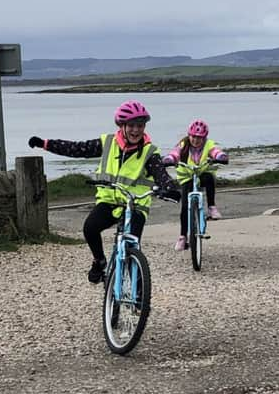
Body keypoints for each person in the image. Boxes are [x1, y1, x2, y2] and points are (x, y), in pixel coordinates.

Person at [28, 100, 181, 283]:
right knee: (90, 229)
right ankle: (99, 261)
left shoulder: (150, 152)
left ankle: (139, 291)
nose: (136, 130)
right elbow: (77, 149)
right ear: (122, 126)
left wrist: (170, 188)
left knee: (133, 244)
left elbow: (161, 174)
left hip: (136, 206)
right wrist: (45, 144)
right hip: (108, 202)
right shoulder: (107, 142)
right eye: (131, 125)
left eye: (140, 126)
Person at [162, 119, 228, 251]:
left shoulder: (208, 145)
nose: (196, 140)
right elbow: (175, 154)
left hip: (201, 174)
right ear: (189, 135)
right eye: (193, 136)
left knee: (209, 178)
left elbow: (216, 152)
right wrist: (169, 159)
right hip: (187, 177)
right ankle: (182, 237)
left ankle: (211, 207)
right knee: (185, 207)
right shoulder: (183, 144)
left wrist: (221, 156)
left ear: (204, 137)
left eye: (199, 138)